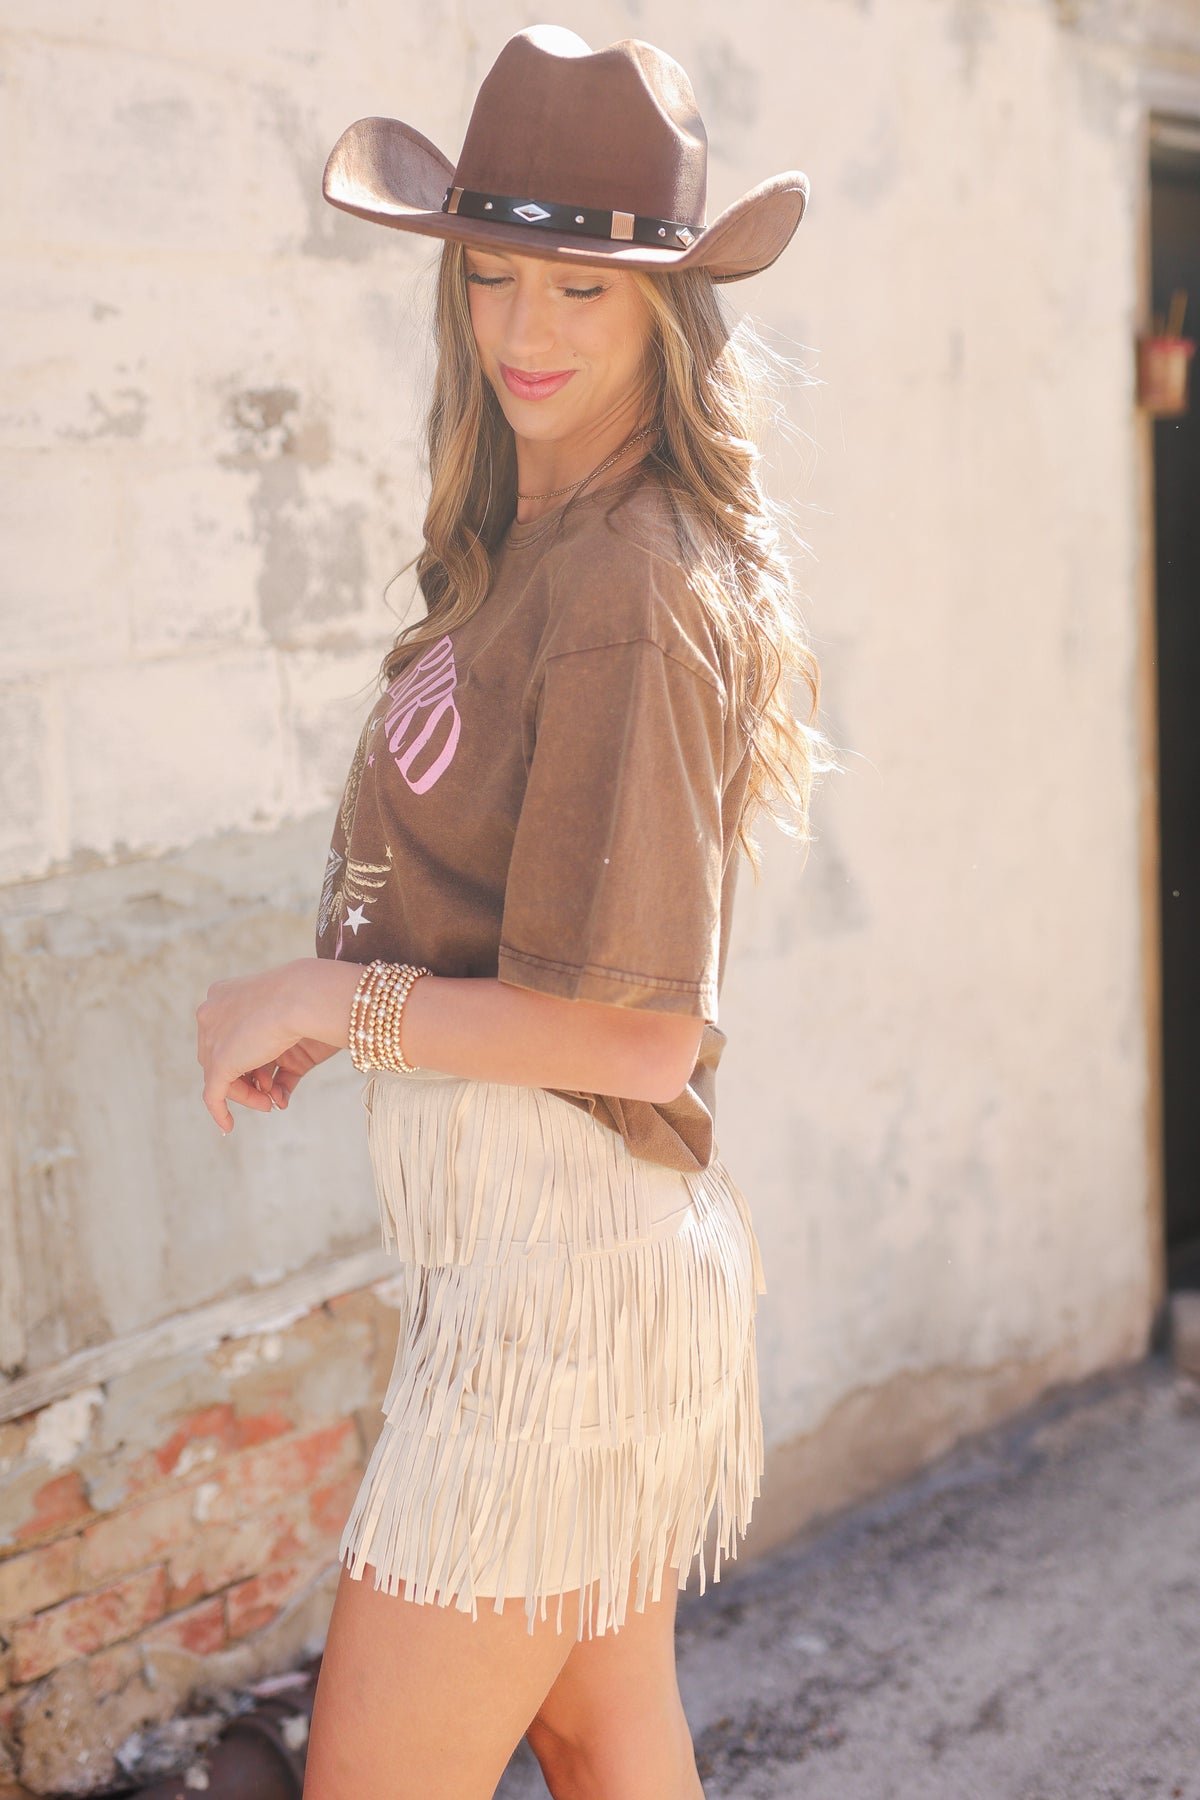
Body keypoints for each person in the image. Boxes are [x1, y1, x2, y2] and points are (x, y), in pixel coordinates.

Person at [195, 25, 831, 1799]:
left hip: (566, 1289)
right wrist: (351, 992)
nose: (526, 334)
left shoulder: (629, 580)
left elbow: (637, 1026)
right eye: (492, 278)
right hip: (550, 1267)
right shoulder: (543, 545)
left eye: (581, 292)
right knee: (602, 1731)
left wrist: (327, 1006)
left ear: (665, 316)